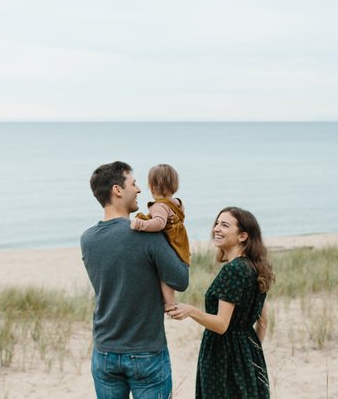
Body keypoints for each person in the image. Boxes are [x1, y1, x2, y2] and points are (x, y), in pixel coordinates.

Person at [81, 161, 190, 399]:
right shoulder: (146, 235)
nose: (139, 190)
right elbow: (180, 280)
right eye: (133, 183)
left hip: (104, 351)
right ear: (117, 190)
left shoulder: (87, 239)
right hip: (146, 352)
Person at [167, 207, 273, 399]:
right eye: (217, 223)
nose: (216, 228)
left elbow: (222, 325)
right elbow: (263, 322)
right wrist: (249, 354)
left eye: (225, 225)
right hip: (249, 351)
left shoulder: (233, 270)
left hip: (222, 354)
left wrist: (191, 311)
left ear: (242, 236)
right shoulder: (256, 267)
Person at [131, 163, 191, 309]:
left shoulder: (159, 206)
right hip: (179, 243)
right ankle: (169, 301)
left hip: (170, 244)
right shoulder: (176, 203)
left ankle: (169, 304)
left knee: (163, 275)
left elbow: (159, 224)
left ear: (152, 186)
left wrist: (140, 224)